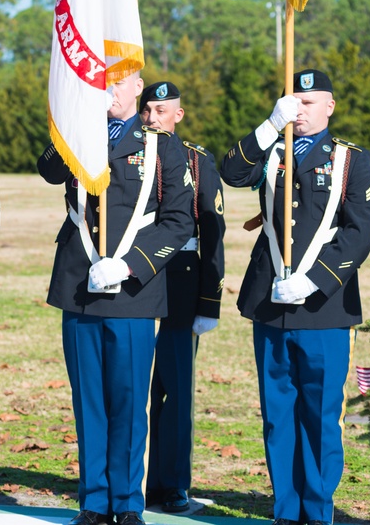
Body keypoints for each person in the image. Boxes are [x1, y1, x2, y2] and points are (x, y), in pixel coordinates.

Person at [219, 69, 370, 525]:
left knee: (321, 417)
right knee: (278, 416)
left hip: (323, 307)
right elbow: (231, 172)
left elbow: (363, 226)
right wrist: (270, 124)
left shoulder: (350, 159)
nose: (301, 109)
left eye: (310, 102)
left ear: (329, 107)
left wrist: (318, 278)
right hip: (271, 304)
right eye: (294, 100)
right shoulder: (272, 150)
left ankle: (318, 510)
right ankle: (286, 511)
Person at [37, 72, 195, 525]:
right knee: (89, 401)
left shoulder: (162, 145)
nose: (105, 89)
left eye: (115, 82)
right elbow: (48, 170)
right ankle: (94, 501)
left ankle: (127, 502)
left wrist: (131, 265)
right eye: (98, 80)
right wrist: (72, 118)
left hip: (132, 291)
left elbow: (179, 221)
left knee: (128, 401)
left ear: (136, 87)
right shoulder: (78, 134)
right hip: (80, 286)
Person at [138, 81, 225, 514]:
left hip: (180, 283)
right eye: (147, 110)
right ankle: (134, 478)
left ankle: (171, 484)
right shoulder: (126, 155)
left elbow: (213, 231)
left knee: (174, 390)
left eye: (160, 110)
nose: (152, 117)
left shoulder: (197, 160)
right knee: (135, 388)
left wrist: (209, 301)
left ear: (179, 114)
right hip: (132, 283)